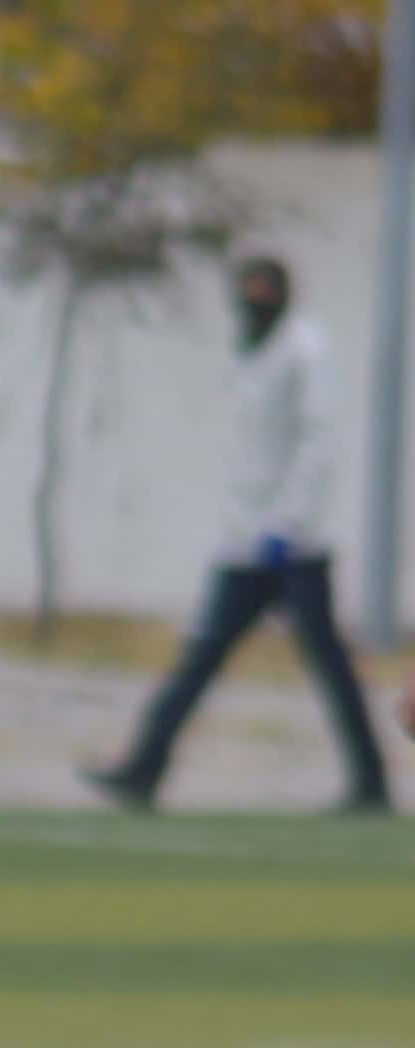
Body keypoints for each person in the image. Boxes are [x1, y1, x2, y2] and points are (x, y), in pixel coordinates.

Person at [85, 255, 392, 817]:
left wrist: (287, 522)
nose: (251, 299)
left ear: (281, 293)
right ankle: (144, 768)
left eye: (261, 290)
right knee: (201, 657)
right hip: (245, 543)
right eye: (244, 290)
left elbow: (318, 444)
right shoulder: (251, 348)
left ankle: (371, 783)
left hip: (294, 546)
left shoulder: (305, 349)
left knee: (329, 665)